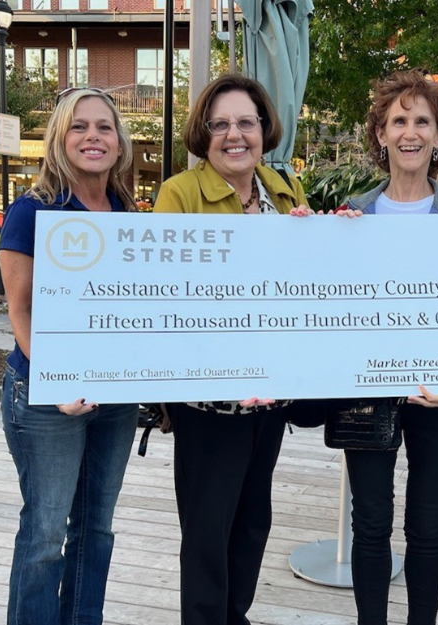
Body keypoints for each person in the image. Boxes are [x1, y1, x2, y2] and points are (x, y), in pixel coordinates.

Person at [152, 74, 311, 625]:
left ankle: (233, 617)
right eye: (220, 124)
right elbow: (166, 294)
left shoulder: (285, 191)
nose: (234, 135)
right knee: (206, 530)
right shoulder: (179, 193)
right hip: (208, 400)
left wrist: (334, 237)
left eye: (246, 122)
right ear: (204, 132)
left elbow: (308, 284)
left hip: (270, 398)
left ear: (265, 128)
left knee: (251, 523)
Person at [333, 70, 438, 625]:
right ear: (381, 133)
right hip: (366, 392)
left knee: (427, 526)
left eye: (423, 121)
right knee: (369, 523)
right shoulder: (350, 216)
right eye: (399, 121)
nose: (410, 132)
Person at [0, 87, 140, 624]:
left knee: (95, 526)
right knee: (45, 532)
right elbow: (22, 310)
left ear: (119, 141)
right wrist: (59, 383)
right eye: (79, 126)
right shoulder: (32, 210)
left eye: (104, 127)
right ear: (59, 138)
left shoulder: (127, 211)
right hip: (43, 393)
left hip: (113, 393)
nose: (93, 137)